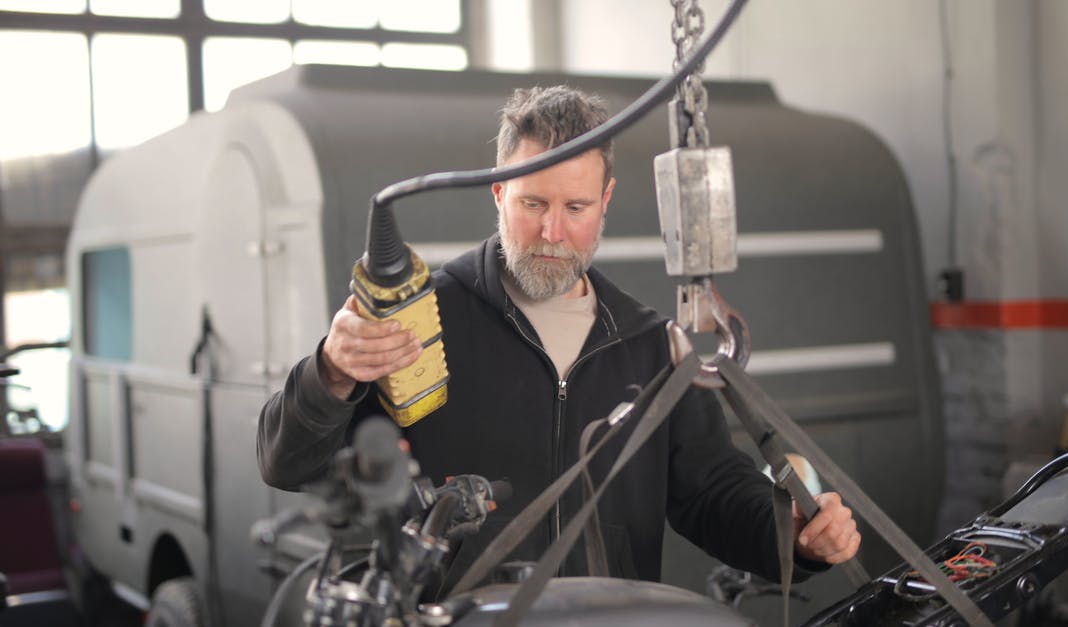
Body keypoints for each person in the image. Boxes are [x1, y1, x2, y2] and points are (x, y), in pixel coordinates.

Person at [257, 85, 860, 597]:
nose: (552, 231)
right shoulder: (421, 316)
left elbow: (710, 492)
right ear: (498, 195)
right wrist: (331, 373)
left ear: (606, 203)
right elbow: (287, 463)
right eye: (532, 203)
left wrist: (795, 538)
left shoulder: (649, 342)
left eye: (575, 206)